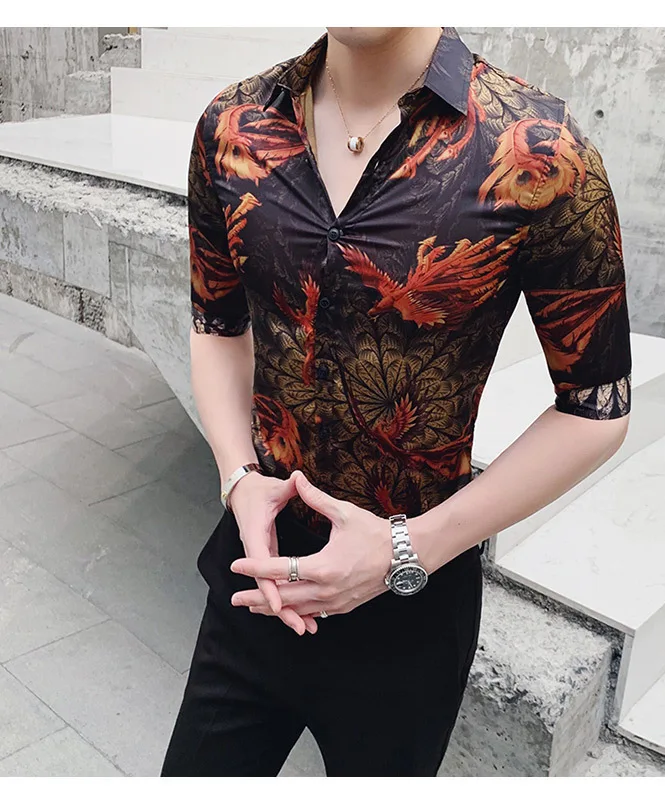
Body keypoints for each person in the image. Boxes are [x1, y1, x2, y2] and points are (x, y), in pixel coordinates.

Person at [160, 26, 632, 777]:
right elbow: (218, 324)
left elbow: (596, 405)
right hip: (259, 576)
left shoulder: (539, 152)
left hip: (411, 613)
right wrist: (237, 477)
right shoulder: (233, 125)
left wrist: (405, 551)